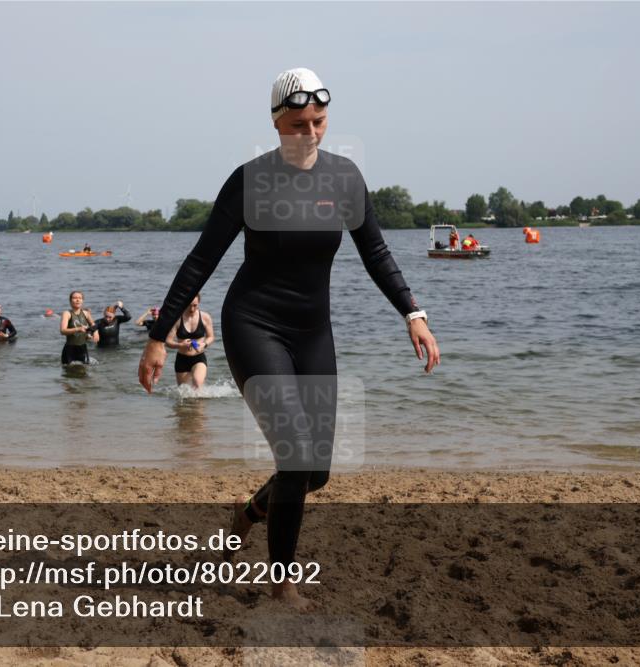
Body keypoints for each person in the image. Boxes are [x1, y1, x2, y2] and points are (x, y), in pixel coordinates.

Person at [138, 67, 439, 611]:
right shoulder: (250, 181)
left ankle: (248, 513)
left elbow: (376, 252)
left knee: (314, 472)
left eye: (319, 121)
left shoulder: (344, 178)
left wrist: (412, 312)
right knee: (296, 455)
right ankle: (282, 583)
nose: (311, 133)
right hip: (253, 324)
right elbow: (201, 261)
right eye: (298, 124)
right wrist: (160, 337)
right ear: (276, 123)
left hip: (313, 331)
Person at [163, 295, 214, 388]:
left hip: (199, 357)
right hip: (182, 359)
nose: (192, 309)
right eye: (189, 305)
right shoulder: (177, 319)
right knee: (184, 391)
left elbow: (211, 337)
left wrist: (204, 344)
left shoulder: (205, 317)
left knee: (197, 383)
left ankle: (202, 398)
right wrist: (180, 345)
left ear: (198, 303)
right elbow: (168, 341)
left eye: (195, 305)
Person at [59, 291, 98, 364]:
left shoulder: (86, 313)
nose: (78, 300)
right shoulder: (67, 313)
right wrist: (78, 329)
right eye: (75, 298)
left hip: (83, 348)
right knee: (69, 370)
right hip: (70, 349)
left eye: (80, 298)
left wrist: (95, 332)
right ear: (70, 301)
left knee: (84, 369)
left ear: (82, 300)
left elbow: (93, 324)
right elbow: (62, 331)